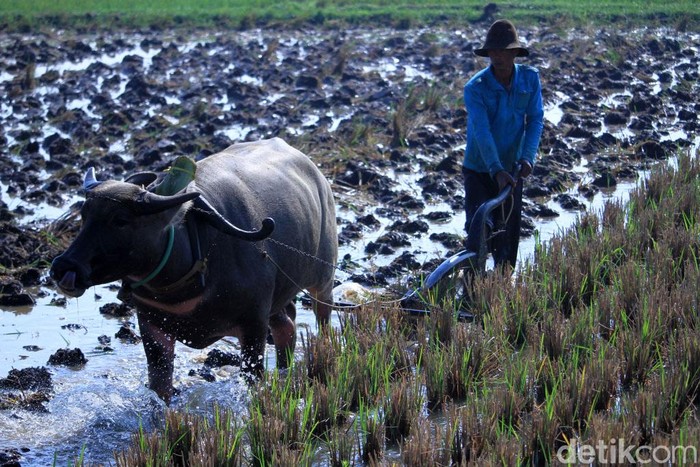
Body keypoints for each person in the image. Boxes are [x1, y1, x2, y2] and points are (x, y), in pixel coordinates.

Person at [462, 19, 544, 269]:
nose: (498, 56)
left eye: (504, 51)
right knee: (479, 230)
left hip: (512, 171)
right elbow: (481, 130)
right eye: (494, 51)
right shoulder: (475, 88)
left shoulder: (529, 80)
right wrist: (495, 169)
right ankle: (472, 286)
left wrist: (528, 157)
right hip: (479, 169)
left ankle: (502, 291)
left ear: (515, 53)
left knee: (507, 239)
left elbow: (536, 118)